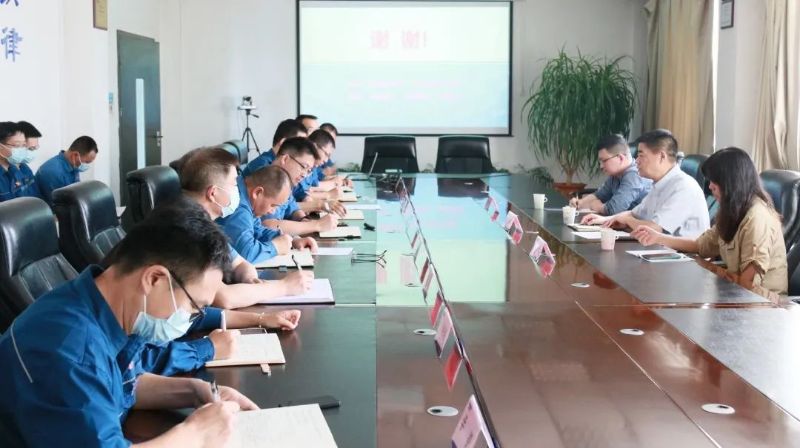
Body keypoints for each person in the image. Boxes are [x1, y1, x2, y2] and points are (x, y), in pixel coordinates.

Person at [0, 201, 257, 446]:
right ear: (154, 279)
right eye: (194, 306)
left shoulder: (103, 306)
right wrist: (196, 434)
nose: (193, 316)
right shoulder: (71, 351)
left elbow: (119, 386)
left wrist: (194, 391)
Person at [632, 147, 788, 301]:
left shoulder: (757, 218)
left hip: (763, 304)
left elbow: (747, 285)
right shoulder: (733, 210)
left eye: (715, 181)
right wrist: (658, 238)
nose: (710, 186)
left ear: (732, 181)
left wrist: (712, 269)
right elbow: (701, 245)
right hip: (734, 295)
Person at [178, 146, 315, 308]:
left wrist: (249, 278)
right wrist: (283, 287)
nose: (239, 188)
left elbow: (239, 263)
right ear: (213, 193)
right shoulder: (188, 229)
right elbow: (224, 298)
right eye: (234, 184)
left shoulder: (205, 224)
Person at [582, 129, 710, 238]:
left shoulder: (683, 187)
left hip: (686, 257)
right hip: (661, 251)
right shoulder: (659, 184)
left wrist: (626, 220)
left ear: (661, 156)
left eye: (641, 155)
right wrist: (605, 220)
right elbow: (634, 213)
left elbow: (655, 229)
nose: (636, 161)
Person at [218, 164, 317, 263]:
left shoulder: (247, 198)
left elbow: (258, 230)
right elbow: (246, 254)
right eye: (273, 205)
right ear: (257, 192)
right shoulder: (238, 206)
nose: (272, 211)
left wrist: (291, 241)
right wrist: (276, 247)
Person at [570, 134, 651, 215]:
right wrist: (580, 203)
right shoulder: (616, 175)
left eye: (604, 161)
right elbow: (599, 195)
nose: (601, 166)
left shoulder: (634, 175)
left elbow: (614, 209)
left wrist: (598, 207)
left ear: (620, 158)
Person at [36, 135, 98, 205]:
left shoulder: (73, 165)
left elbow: (76, 190)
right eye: (86, 162)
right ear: (75, 155)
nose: (87, 165)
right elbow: (59, 205)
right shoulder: (53, 172)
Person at [242, 118, 307, 177]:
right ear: (283, 142)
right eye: (298, 144)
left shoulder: (277, 163)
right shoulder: (264, 165)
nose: (302, 149)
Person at [0, 121, 40, 202]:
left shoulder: (23, 167)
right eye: (17, 145)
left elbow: (36, 199)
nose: (22, 150)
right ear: (1, 147)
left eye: (24, 145)